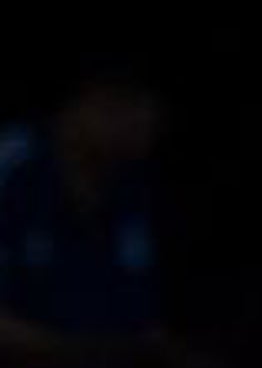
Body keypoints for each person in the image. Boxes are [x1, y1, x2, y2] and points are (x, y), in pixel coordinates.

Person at [0, 58, 166, 351]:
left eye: (145, 104)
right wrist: (75, 353)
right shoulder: (14, 168)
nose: (141, 117)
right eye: (117, 104)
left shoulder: (129, 184)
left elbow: (136, 317)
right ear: (69, 112)